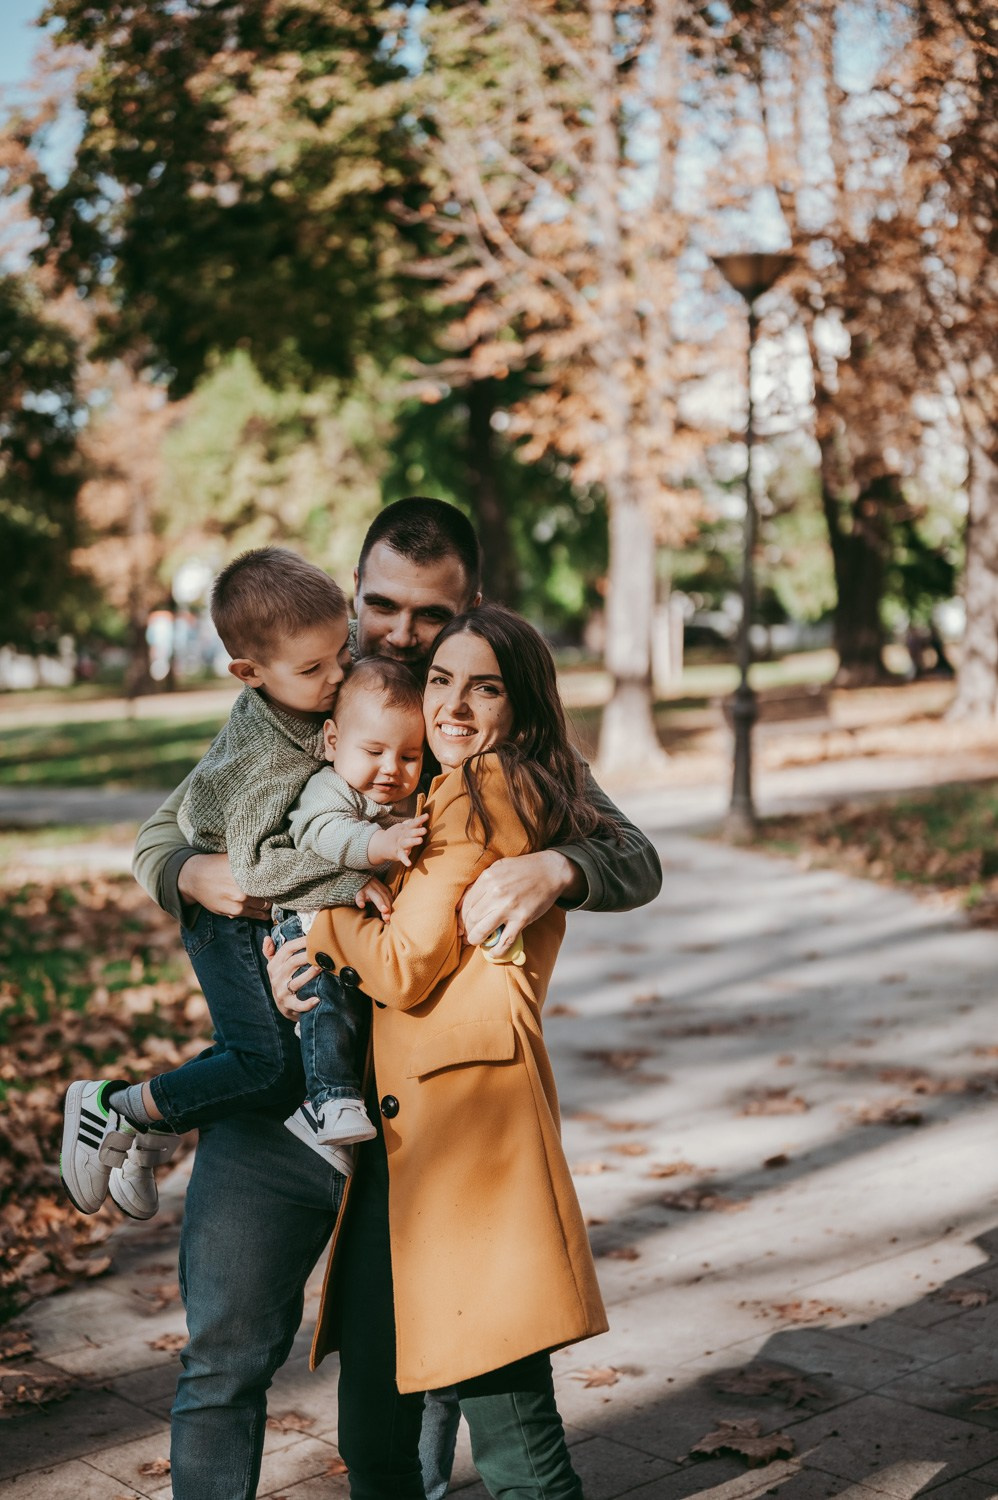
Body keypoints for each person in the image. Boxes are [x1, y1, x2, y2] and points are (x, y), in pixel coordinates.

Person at [131, 497, 663, 1500]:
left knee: (411, 1386)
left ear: (470, 605)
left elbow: (632, 854)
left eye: (432, 614)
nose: (403, 634)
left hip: (424, 1112)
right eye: (384, 605)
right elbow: (165, 838)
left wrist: (557, 869)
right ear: (354, 591)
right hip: (286, 1081)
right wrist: (198, 881)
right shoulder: (290, 710)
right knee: (225, 1356)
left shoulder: (478, 734)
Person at [268, 605, 611, 1497]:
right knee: (379, 1420)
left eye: (484, 686)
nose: (453, 705)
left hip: (467, 1137)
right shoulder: (445, 785)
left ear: (521, 703)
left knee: (512, 1439)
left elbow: (404, 963)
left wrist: (317, 914)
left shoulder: (479, 788)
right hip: (404, 1136)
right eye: (444, 682)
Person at [60, 552, 430, 1226]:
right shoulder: (261, 756)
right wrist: (353, 878)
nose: (338, 674)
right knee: (264, 1064)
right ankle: (117, 1107)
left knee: (277, 1051)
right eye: (314, 670)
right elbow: (253, 873)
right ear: (249, 674)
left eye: (341, 651)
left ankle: (140, 1126)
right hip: (225, 914)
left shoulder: (320, 676)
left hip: (268, 898)